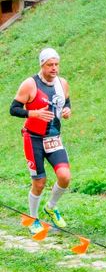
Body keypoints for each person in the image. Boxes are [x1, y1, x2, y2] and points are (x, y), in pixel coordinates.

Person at [10, 48, 72, 234]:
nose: (54, 68)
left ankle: (51, 207)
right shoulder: (30, 84)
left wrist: (67, 110)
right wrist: (33, 113)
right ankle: (33, 218)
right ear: (42, 65)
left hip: (53, 138)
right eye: (50, 65)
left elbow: (66, 102)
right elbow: (13, 109)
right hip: (33, 138)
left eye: (56, 64)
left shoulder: (62, 83)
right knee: (39, 182)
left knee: (65, 176)